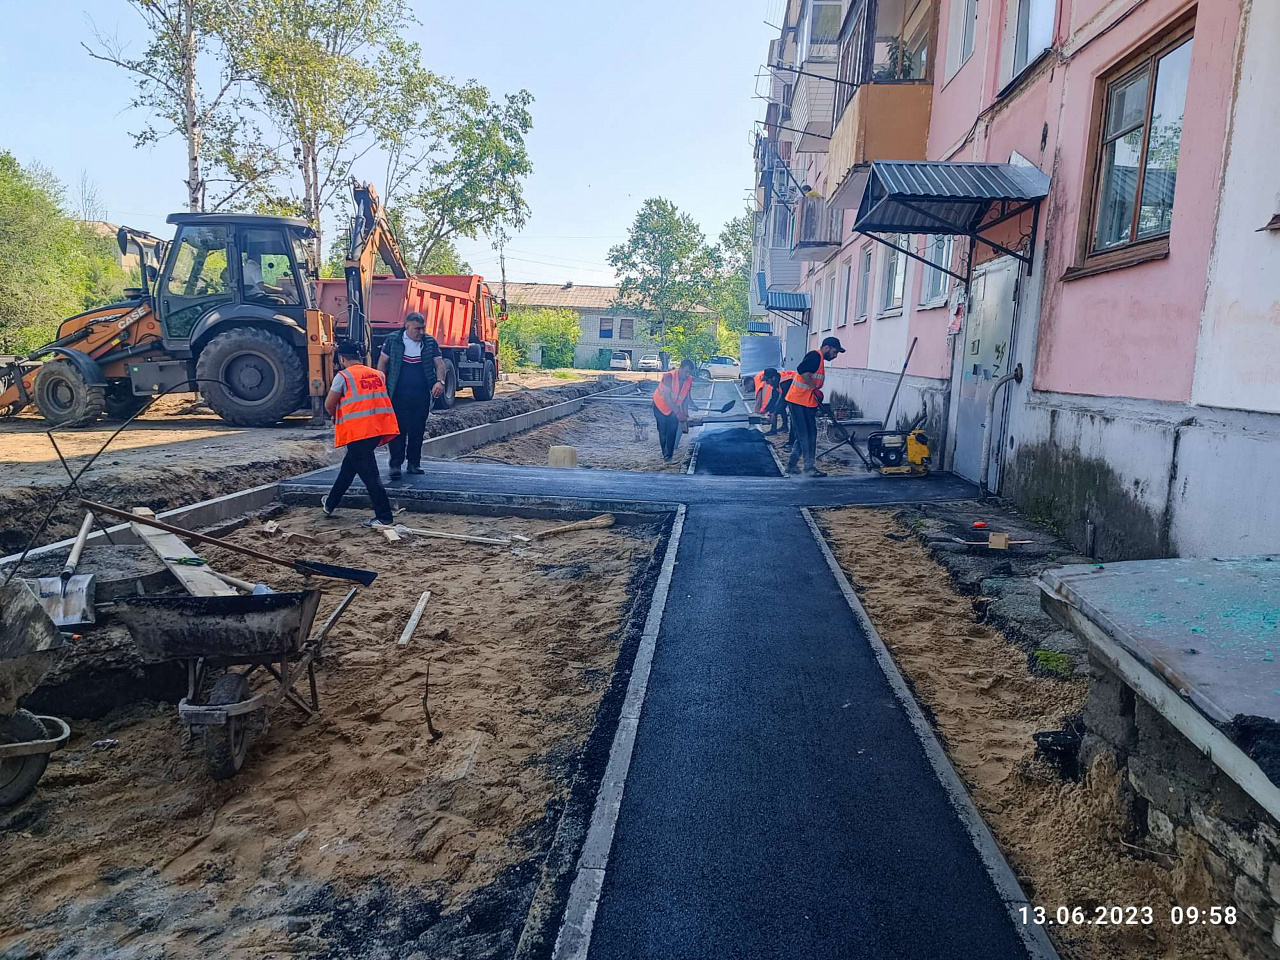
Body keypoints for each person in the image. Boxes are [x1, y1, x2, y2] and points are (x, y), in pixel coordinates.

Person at [323, 341, 399, 527]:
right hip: (376, 429)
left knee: (370, 475)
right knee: (349, 468)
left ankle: (384, 516)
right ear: (360, 357)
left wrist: (334, 416)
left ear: (342, 359)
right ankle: (330, 504)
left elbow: (328, 404)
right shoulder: (377, 374)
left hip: (357, 432)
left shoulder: (343, 377)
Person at [377, 312, 447, 480]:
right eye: (417, 329)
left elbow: (439, 364)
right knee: (398, 431)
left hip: (421, 395)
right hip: (398, 395)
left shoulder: (429, 343)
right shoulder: (394, 340)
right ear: (407, 326)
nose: (420, 332)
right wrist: (380, 384)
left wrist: (440, 382)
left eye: (423, 328)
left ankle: (414, 463)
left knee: (417, 430)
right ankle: (395, 465)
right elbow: (382, 363)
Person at [785, 336, 845, 477]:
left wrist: (815, 395)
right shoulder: (815, 356)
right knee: (805, 435)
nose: (835, 356)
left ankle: (793, 465)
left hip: (806, 403)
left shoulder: (819, 360)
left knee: (810, 435)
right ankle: (808, 468)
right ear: (826, 348)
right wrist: (814, 389)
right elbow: (802, 370)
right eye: (835, 352)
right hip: (798, 401)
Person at [651, 358, 696, 462]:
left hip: (673, 407)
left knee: (672, 430)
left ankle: (668, 457)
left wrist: (685, 414)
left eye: (689, 372)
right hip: (660, 406)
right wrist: (678, 412)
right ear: (680, 369)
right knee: (663, 432)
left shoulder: (689, 379)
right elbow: (667, 398)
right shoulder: (668, 377)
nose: (687, 374)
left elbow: (685, 397)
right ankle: (665, 453)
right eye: (686, 372)